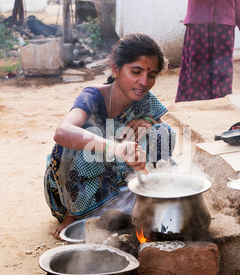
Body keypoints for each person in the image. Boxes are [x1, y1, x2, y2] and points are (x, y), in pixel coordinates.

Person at [44, 34, 176, 239]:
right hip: (77, 188)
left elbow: (158, 124)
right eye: (136, 71)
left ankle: (138, 199)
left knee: (163, 133)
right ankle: (74, 215)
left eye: (152, 75)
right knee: (81, 147)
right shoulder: (93, 96)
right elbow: (62, 132)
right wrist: (117, 148)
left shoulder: (143, 98)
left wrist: (148, 122)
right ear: (116, 69)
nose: (144, 81)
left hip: (114, 179)